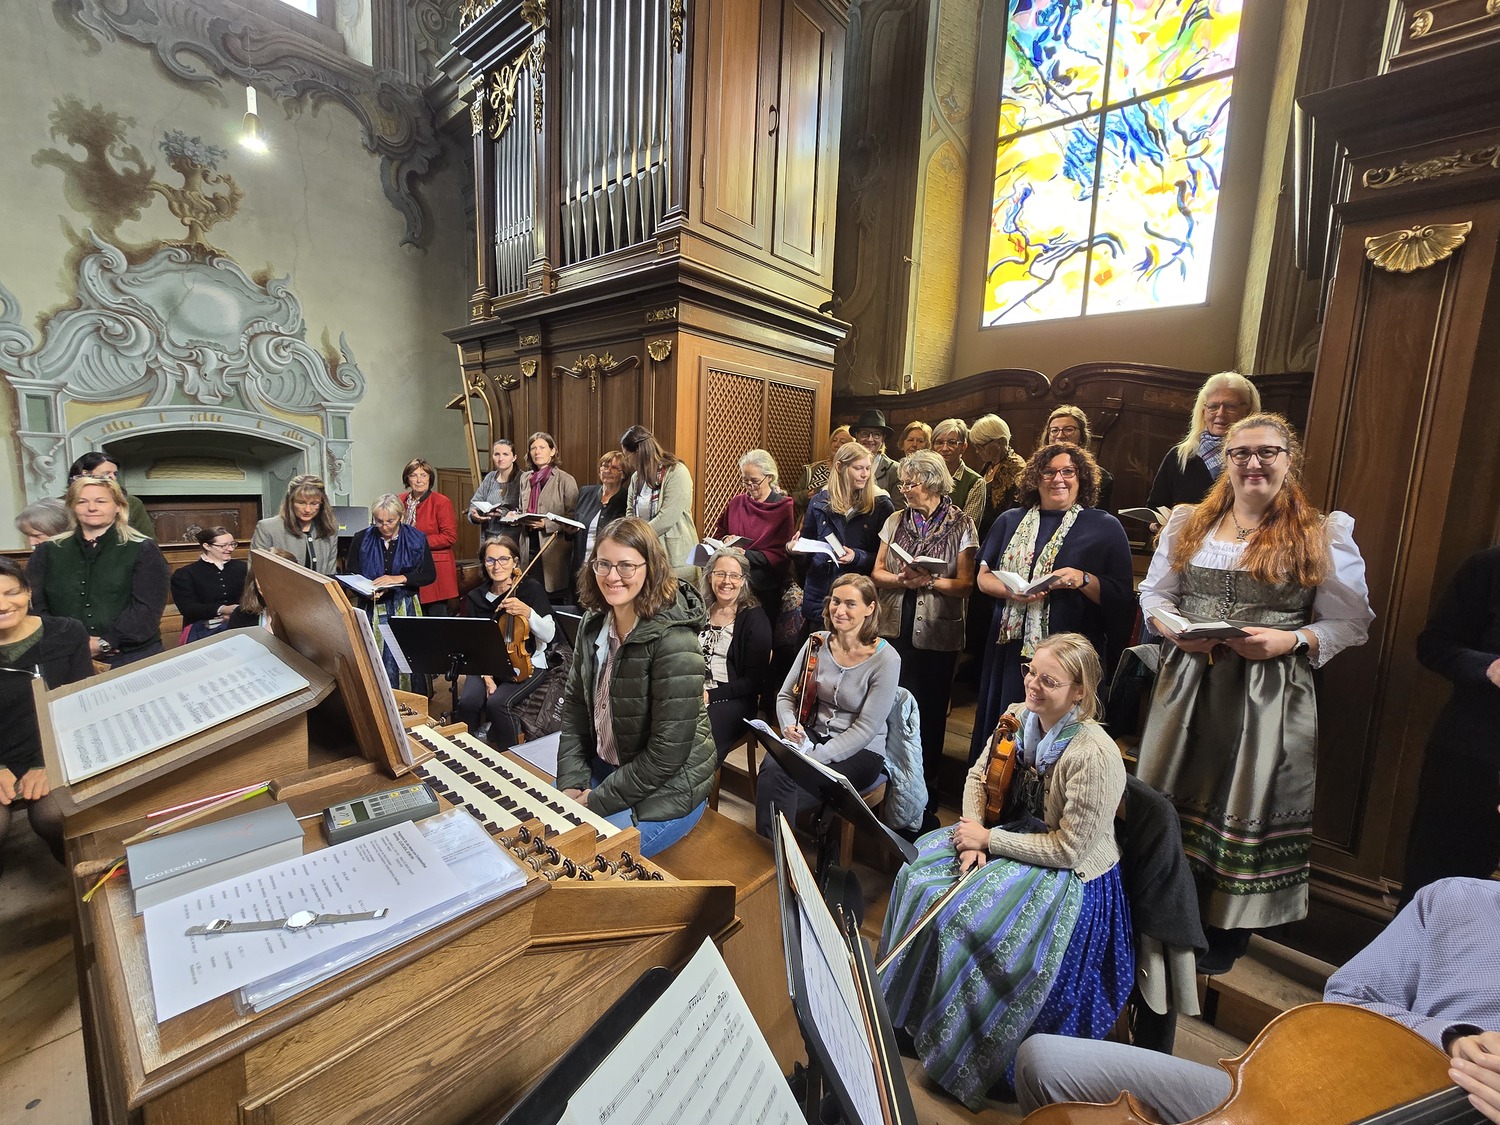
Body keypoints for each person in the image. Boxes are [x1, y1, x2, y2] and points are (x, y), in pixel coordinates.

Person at [1136, 413, 1373, 962]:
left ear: (1289, 461)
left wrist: (1289, 640)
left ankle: (1220, 936)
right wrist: (1172, 627)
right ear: (1226, 462)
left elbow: (1351, 622)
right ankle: (1156, 919)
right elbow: (1154, 593)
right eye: (1241, 453)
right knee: (1169, 790)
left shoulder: (1319, 532)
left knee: (1244, 797)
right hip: (1188, 682)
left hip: (1267, 691)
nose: (1253, 463)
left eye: (1267, 452)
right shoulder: (1190, 522)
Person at [1014, 876, 1500, 1124]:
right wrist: (1451, 1039)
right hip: (1320, 1100)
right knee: (1047, 1062)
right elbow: (1348, 1002)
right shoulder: (1455, 900)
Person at [879, 633, 1132, 1110]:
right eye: (1030, 672)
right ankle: (910, 1015)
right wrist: (972, 830)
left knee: (964, 919)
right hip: (1006, 832)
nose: (1033, 685)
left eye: (1049, 681)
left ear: (1080, 691)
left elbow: (1069, 850)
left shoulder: (1093, 755)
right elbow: (979, 776)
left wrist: (989, 842)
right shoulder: (1018, 715)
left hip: (1068, 873)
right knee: (916, 876)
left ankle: (963, 1051)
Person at [555, 517, 716, 856]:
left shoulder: (675, 641)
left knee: (588, 860)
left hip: (669, 789)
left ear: (650, 568)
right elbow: (576, 709)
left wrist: (596, 801)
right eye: (603, 564)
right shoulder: (592, 622)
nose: (612, 576)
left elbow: (666, 754)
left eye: (626, 565)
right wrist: (571, 782)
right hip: (607, 768)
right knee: (544, 830)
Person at [969, 442, 1132, 766]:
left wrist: (1081, 579)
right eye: (1049, 471)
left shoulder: (1104, 526)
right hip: (1011, 650)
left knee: (1057, 748)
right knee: (1005, 734)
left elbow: (1120, 596)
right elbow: (983, 578)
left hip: (1069, 656)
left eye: (1068, 471)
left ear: (1081, 478)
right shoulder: (1009, 520)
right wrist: (1011, 591)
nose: (1059, 479)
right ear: (1035, 477)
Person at [872, 450, 977, 826]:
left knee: (929, 716)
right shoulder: (895, 520)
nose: (903, 490)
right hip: (894, 627)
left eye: (910, 483)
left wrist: (930, 581)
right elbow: (877, 572)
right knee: (890, 708)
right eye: (902, 483)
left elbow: (965, 585)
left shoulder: (962, 524)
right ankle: (888, 787)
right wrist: (902, 579)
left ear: (932, 483)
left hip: (937, 633)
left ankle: (923, 795)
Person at [756, 573, 899, 836]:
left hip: (862, 751)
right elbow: (786, 696)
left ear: (870, 609)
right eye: (836, 601)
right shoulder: (816, 642)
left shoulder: (887, 659)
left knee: (791, 782)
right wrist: (789, 726)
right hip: (812, 733)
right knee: (773, 766)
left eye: (850, 604)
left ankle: (775, 847)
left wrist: (815, 756)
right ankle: (774, 847)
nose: (840, 610)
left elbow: (866, 728)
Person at [1400, 545, 1500, 905]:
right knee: (1432, 889)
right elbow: (1434, 644)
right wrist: (1488, 667)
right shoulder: (1489, 566)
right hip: (1472, 756)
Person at [0, 558, 92, 870]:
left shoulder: (66, 632)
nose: (3, 605)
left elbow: (81, 704)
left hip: (55, 749)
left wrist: (49, 762)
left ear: (28, 591)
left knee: (55, 815)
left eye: (11, 592)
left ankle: (70, 869)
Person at [27, 476, 170, 667]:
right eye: (82, 502)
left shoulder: (143, 548)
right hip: (65, 654)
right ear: (72, 507)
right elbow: (37, 604)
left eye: (101, 501)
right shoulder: (48, 550)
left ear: (118, 506)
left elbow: (147, 608)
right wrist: (68, 640)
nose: (91, 508)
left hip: (133, 655)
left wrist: (105, 642)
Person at [456, 536, 556, 750]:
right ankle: (467, 750)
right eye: (490, 560)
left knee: (498, 704)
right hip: (486, 664)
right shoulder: (476, 597)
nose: (497, 566)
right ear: (484, 563)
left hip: (527, 661)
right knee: (468, 703)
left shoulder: (530, 589)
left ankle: (511, 754)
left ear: (515, 562)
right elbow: (475, 642)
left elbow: (548, 635)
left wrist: (528, 612)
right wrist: (487, 679)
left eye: (504, 559)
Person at [798, 439, 895, 633]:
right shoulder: (819, 501)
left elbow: (886, 559)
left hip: (856, 598)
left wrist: (856, 556)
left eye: (868, 468)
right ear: (840, 467)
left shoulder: (881, 505)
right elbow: (806, 548)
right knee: (816, 650)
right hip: (820, 593)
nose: (865, 474)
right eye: (858, 468)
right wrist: (793, 549)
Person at [346, 494, 436, 690]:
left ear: (401, 517)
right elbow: (351, 573)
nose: (384, 527)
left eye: (390, 521)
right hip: (372, 606)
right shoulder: (361, 538)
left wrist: (400, 578)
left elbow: (429, 575)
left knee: (406, 653)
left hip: (405, 606)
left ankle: (412, 695)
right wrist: (365, 592)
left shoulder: (416, 538)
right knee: (375, 656)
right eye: (379, 521)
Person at [1147, 372, 1260, 511]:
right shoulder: (1179, 456)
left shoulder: (1261, 459)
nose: (1220, 413)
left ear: (1248, 411)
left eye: (1230, 406)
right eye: (1213, 406)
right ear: (1203, 411)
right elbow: (1155, 508)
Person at [698, 549, 771, 763]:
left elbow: (753, 682)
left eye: (734, 576)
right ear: (710, 576)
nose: (726, 581)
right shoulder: (700, 609)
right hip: (693, 691)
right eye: (720, 574)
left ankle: (692, 782)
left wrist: (710, 695)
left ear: (743, 580)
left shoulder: (754, 618)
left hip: (733, 699)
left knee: (698, 740)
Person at [714, 449, 795, 612]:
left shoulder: (782, 507)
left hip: (763, 583)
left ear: (769, 477)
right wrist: (726, 539)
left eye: (755, 481)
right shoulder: (737, 502)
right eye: (745, 481)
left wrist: (746, 554)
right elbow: (720, 533)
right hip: (732, 578)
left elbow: (780, 554)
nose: (750, 486)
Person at [620, 425, 700, 580]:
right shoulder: (636, 478)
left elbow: (666, 518)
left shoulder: (676, 472)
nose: (627, 461)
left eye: (627, 456)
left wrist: (637, 536)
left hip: (675, 556)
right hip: (645, 552)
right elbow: (630, 512)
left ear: (638, 452)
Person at [516, 431, 580, 602]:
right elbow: (523, 507)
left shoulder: (565, 480)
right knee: (528, 597)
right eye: (533, 448)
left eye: (542, 447)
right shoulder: (525, 478)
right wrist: (516, 516)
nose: (537, 452)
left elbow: (573, 517)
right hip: (528, 546)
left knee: (550, 602)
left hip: (553, 550)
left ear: (552, 451)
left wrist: (547, 524)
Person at [400, 458, 458, 616]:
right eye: (414, 475)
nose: (419, 480)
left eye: (423, 475)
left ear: (430, 478)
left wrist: (417, 543)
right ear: (407, 479)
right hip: (408, 567)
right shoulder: (400, 500)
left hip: (435, 568)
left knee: (436, 621)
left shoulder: (441, 502)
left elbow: (449, 537)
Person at [170, 526, 246, 643]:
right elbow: (187, 608)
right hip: (202, 631)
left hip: (240, 627)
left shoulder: (243, 568)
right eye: (223, 546)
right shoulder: (185, 573)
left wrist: (237, 613)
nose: (230, 548)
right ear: (207, 546)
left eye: (232, 544)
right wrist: (222, 609)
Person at [252, 474, 339, 574]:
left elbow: (331, 572)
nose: (307, 509)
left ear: (322, 503)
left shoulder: (329, 529)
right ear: (290, 502)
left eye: (314, 503)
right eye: (301, 503)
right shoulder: (267, 528)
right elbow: (257, 572)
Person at [968, 413, 1028, 543]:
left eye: (981, 446)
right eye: (975, 446)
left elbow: (1013, 513)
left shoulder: (1017, 469)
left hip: (1001, 538)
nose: (977, 451)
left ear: (999, 442)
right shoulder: (989, 465)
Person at [67, 452, 155, 539]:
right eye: (107, 473)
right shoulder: (62, 503)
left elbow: (148, 538)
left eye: (115, 474)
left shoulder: (131, 502)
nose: (113, 478)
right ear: (85, 474)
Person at [1042, 405, 1114, 511]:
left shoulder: (1102, 478)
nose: (1060, 435)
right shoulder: (1035, 470)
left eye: (1068, 429)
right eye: (1054, 430)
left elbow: (1096, 516)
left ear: (1082, 436)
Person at [573, 449, 629, 583]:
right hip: (581, 565)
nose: (608, 471)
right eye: (604, 466)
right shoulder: (585, 493)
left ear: (623, 474)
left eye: (614, 468)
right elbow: (576, 523)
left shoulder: (627, 499)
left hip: (610, 568)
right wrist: (569, 531)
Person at [230, 547, 298, 631]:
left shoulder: (308, 619)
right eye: (262, 577)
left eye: (275, 578)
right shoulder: (241, 615)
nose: (267, 585)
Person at [930, 418, 985, 520]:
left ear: (963, 447)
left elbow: (967, 525)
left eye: (952, 442)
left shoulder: (975, 482)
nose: (944, 448)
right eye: (939, 442)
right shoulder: (925, 476)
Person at [792, 425, 855, 511]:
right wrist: (809, 494)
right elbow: (795, 496)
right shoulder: (814, 469)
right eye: (834, 440)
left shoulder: (854, 471)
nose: (836, 444)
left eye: (842, 442)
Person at [850, 409, 904, 508]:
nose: (870, 439)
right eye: (865, 433)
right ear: (857, 436)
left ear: (883, 438)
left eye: (876, 435)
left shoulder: (895, 470)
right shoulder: (846, 464)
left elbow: (899, 511)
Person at [468, 439, 522, 537]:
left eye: (505, 454)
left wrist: (503, 513)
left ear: (514, 458)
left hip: (512, 537)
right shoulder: (490, 477)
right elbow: (475, 502)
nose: (501, 458)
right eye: (497, 454)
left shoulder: (522, 478)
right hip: (488, 535)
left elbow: (524, 509)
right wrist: (474, 515)